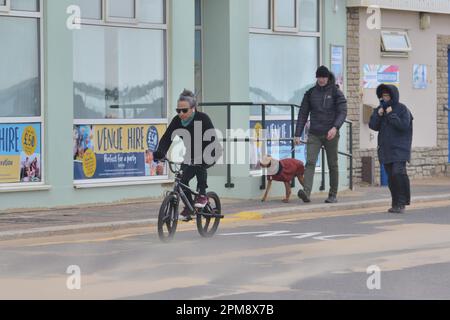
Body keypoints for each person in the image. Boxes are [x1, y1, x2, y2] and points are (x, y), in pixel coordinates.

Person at [154, 89, 222, 221]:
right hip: (191, 154)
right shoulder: (177, 121)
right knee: (182, 179)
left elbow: (211, 140)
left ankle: (202, 194)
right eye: (178, 110)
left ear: (193, 108)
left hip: (210, 151)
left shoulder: (202, 118)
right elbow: (167, 137)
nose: (180, 113)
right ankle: (189, 207)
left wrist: (200, 156)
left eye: (184, 110)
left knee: (199, 164)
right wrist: (160, 152)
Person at [294, 65, 348, 204]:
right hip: (314, 134)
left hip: (331, 133)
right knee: (310, 162)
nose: (322, 79)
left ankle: (333, 194)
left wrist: (335, 127)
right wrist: (297, 134)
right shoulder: (310, 93)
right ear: (316, 77)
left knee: (332, 164)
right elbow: (303, 114)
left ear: (328, 77)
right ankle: (306, 193)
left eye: (324, 77)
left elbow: (342, 111)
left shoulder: (336, 92)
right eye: (319, 77)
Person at [369, 84, 413, 214]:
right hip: (386, 149)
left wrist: (391, 113)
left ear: (393, 95)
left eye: (387, 95)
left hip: (400, 148)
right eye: (383, 96)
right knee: (391, 178)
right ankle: (395, 202)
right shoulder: (380, 109)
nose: (385, 98)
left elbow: (403, 126)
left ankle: (401, 202)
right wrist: (378, 114)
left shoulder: (402, 109)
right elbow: (373, 126)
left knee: (397, 173)